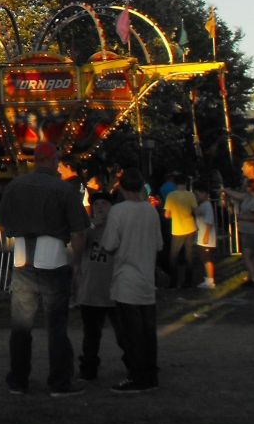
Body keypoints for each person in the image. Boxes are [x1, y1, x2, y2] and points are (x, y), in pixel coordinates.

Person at [0, 140, 90, 397]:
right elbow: (79, 232)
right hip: (54, 258)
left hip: (23, 258)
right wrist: (77, 262)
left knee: (21, 326)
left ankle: (18, 380)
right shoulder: (63, 190)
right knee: (56, 325)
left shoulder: (15, 186)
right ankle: (60, 382)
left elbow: (1, 226)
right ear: (52, 160)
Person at [100, 167, 162, 393]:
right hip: (146, 276)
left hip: (126, 277)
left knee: (131, 332)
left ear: (123, 188)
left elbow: (108, 244)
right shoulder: (151, 211)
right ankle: (150, 373)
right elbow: (158, 244)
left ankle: (136, 376)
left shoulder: (118, 212)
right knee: (148, 330)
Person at [74, 193, 115, 381]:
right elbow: (76, 249)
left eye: (104, 204)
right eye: (96, 204)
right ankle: (88, 368)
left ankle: (135, 364)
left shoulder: (117, 228)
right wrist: (91, 226)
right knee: (91, 334)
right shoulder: (87, 229)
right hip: (90, 289)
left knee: (124, 333)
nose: (99, 207)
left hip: (113, 288)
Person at [224, 179, 254, 285]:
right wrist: (225, 190)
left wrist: (240, 217)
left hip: (253, 232)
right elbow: (237, 195)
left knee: (247, 256)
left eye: (246, 186)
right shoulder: (248, 197)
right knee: (253, 256)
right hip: (248, 230)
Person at [162, 173, 196, 288]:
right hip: (190, 227)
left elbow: (167, 215)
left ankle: (174, 281)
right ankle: (188, 281)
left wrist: (173, 214)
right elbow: (195, 210)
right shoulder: (190, 195)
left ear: (175, 184)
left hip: (177, 229)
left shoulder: (171, 196)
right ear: (185, 183)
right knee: (189, 255)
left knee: (173, 256)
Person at [193, 182, 218, 288]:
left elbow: (209, 222)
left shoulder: (207, 205)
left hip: (206, 238)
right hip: (202, 236)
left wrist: (206, 236)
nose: (196, 197)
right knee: (204, 258)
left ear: (204, 194)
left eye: (197, 194)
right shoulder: (203, 205)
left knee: (207, 259)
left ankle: (210, 281)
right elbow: (196, 212)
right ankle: (208, 279)